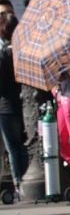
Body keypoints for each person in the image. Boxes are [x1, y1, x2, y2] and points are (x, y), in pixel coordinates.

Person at [0, 13, 28, 191]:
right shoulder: (21, 50)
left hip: (5, 106)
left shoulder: (3, 55)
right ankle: (23, 179)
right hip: (21, 104)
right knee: (22, 146)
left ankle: (19, 183)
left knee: (12, 148)